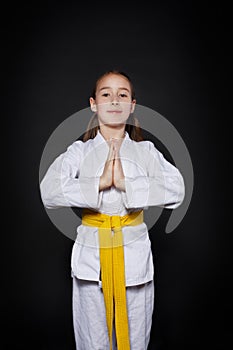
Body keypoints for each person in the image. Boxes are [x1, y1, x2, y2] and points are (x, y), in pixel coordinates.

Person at [40, 70, 185, 350]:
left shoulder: (146, 151)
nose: (114, 100)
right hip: (91, 262)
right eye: (106, 94)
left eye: (123, 94)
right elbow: (49, 192)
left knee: (136, 339)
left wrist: (126, 184)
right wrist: (100, 183)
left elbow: (177, 190)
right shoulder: (78, 152)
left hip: (134, 261)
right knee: (92, 341)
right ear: (94, 103)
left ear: (132, 106)